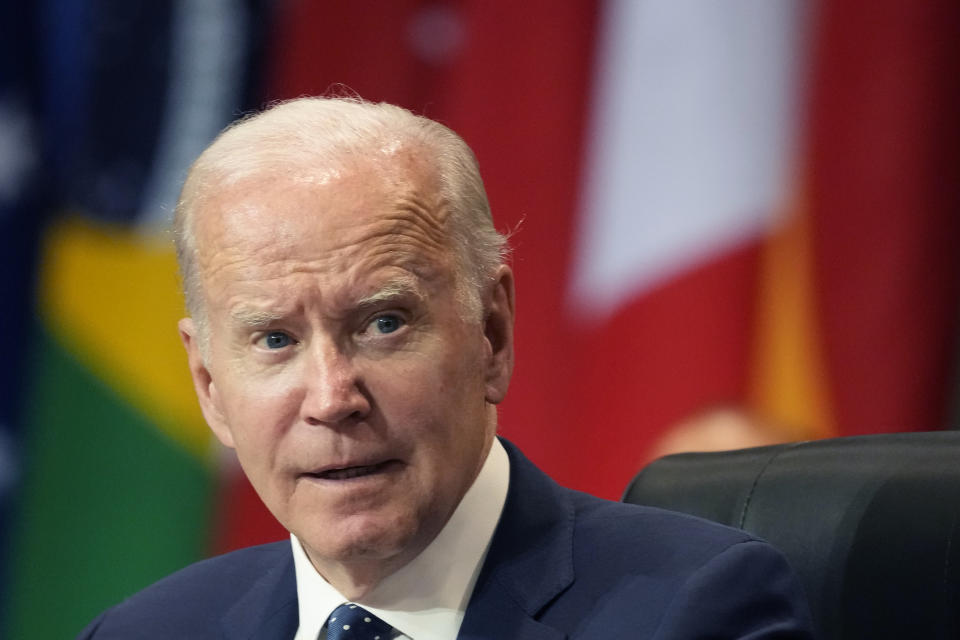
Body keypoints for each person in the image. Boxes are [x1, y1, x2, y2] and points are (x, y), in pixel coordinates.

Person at [77, 97, 815, 639]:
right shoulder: (145, 633)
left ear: (490, 334)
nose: (333, 398)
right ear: (209, 386)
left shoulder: (696, 612)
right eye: (273, 340)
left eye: (383, 323)